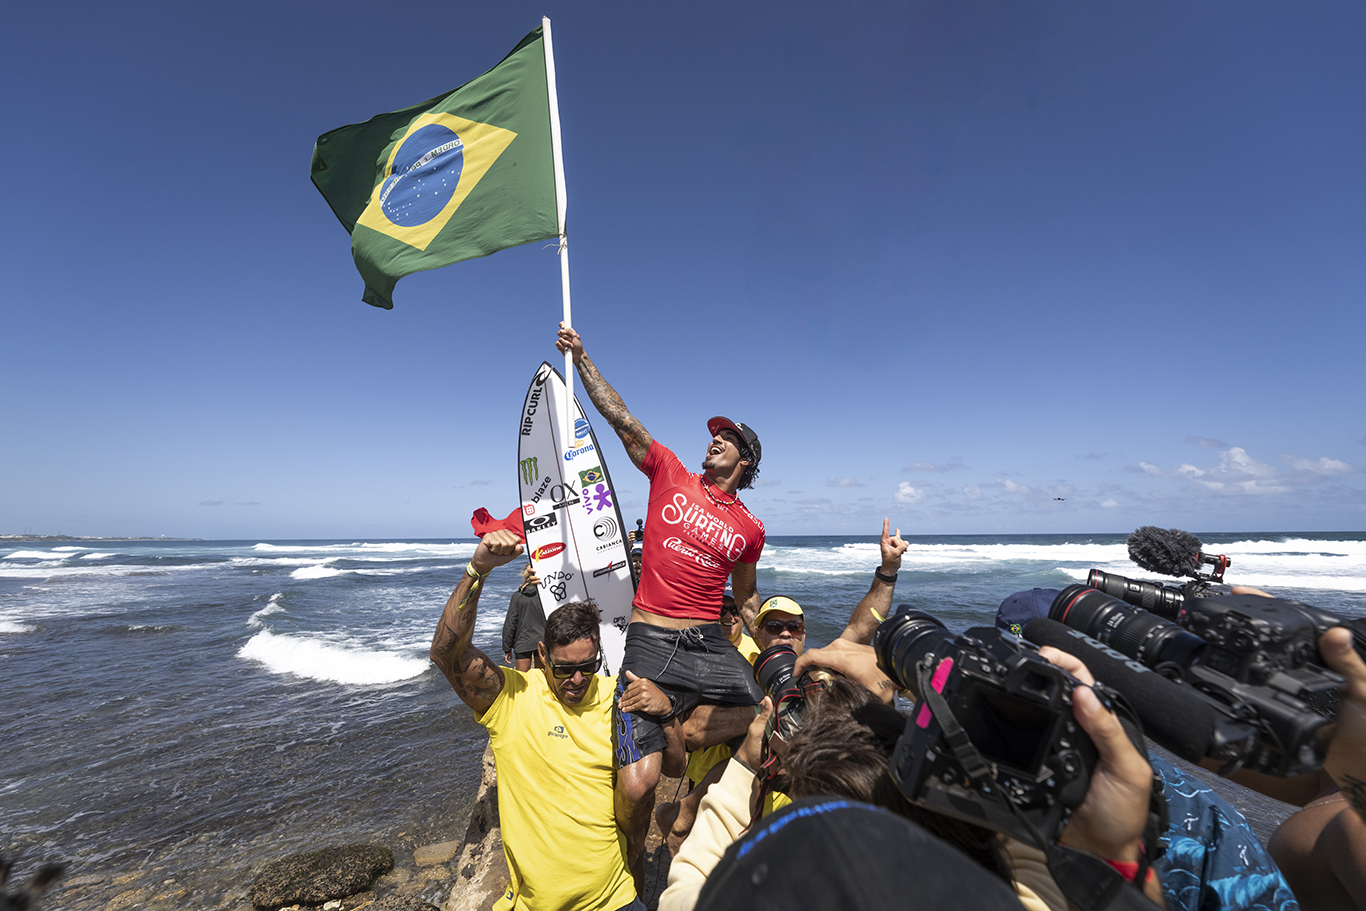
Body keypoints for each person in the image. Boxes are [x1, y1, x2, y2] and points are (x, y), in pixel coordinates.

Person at [555, 322, 767, 877]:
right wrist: (582, 359)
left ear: (745, 461)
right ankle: (629, 856)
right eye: (714, 435)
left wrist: (781, 645)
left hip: (704, 642)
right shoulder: (671, 473)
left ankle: (688, 805)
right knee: (639, 780)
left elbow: (744, 598)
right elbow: (622, 420)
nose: (714, 439)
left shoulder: (750, 529)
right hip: (649, 639)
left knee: (769, 708)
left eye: (728, 439)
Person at [428, 529, 639, 911]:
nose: (577, 680)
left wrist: (661, 703)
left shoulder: (617, 697)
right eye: (565, 668)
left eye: (588, 666)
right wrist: (478, 571)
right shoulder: (513, 697)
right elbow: (446, 653)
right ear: (542, 654)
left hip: (616, 897)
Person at [501, 562, 545, 672]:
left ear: (525, 576)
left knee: (522, 680)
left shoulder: (518, 596)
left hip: (523, 643)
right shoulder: (546, 596)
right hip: (543, 641)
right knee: (542, 679)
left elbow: (511, 623)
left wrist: (507, 648)